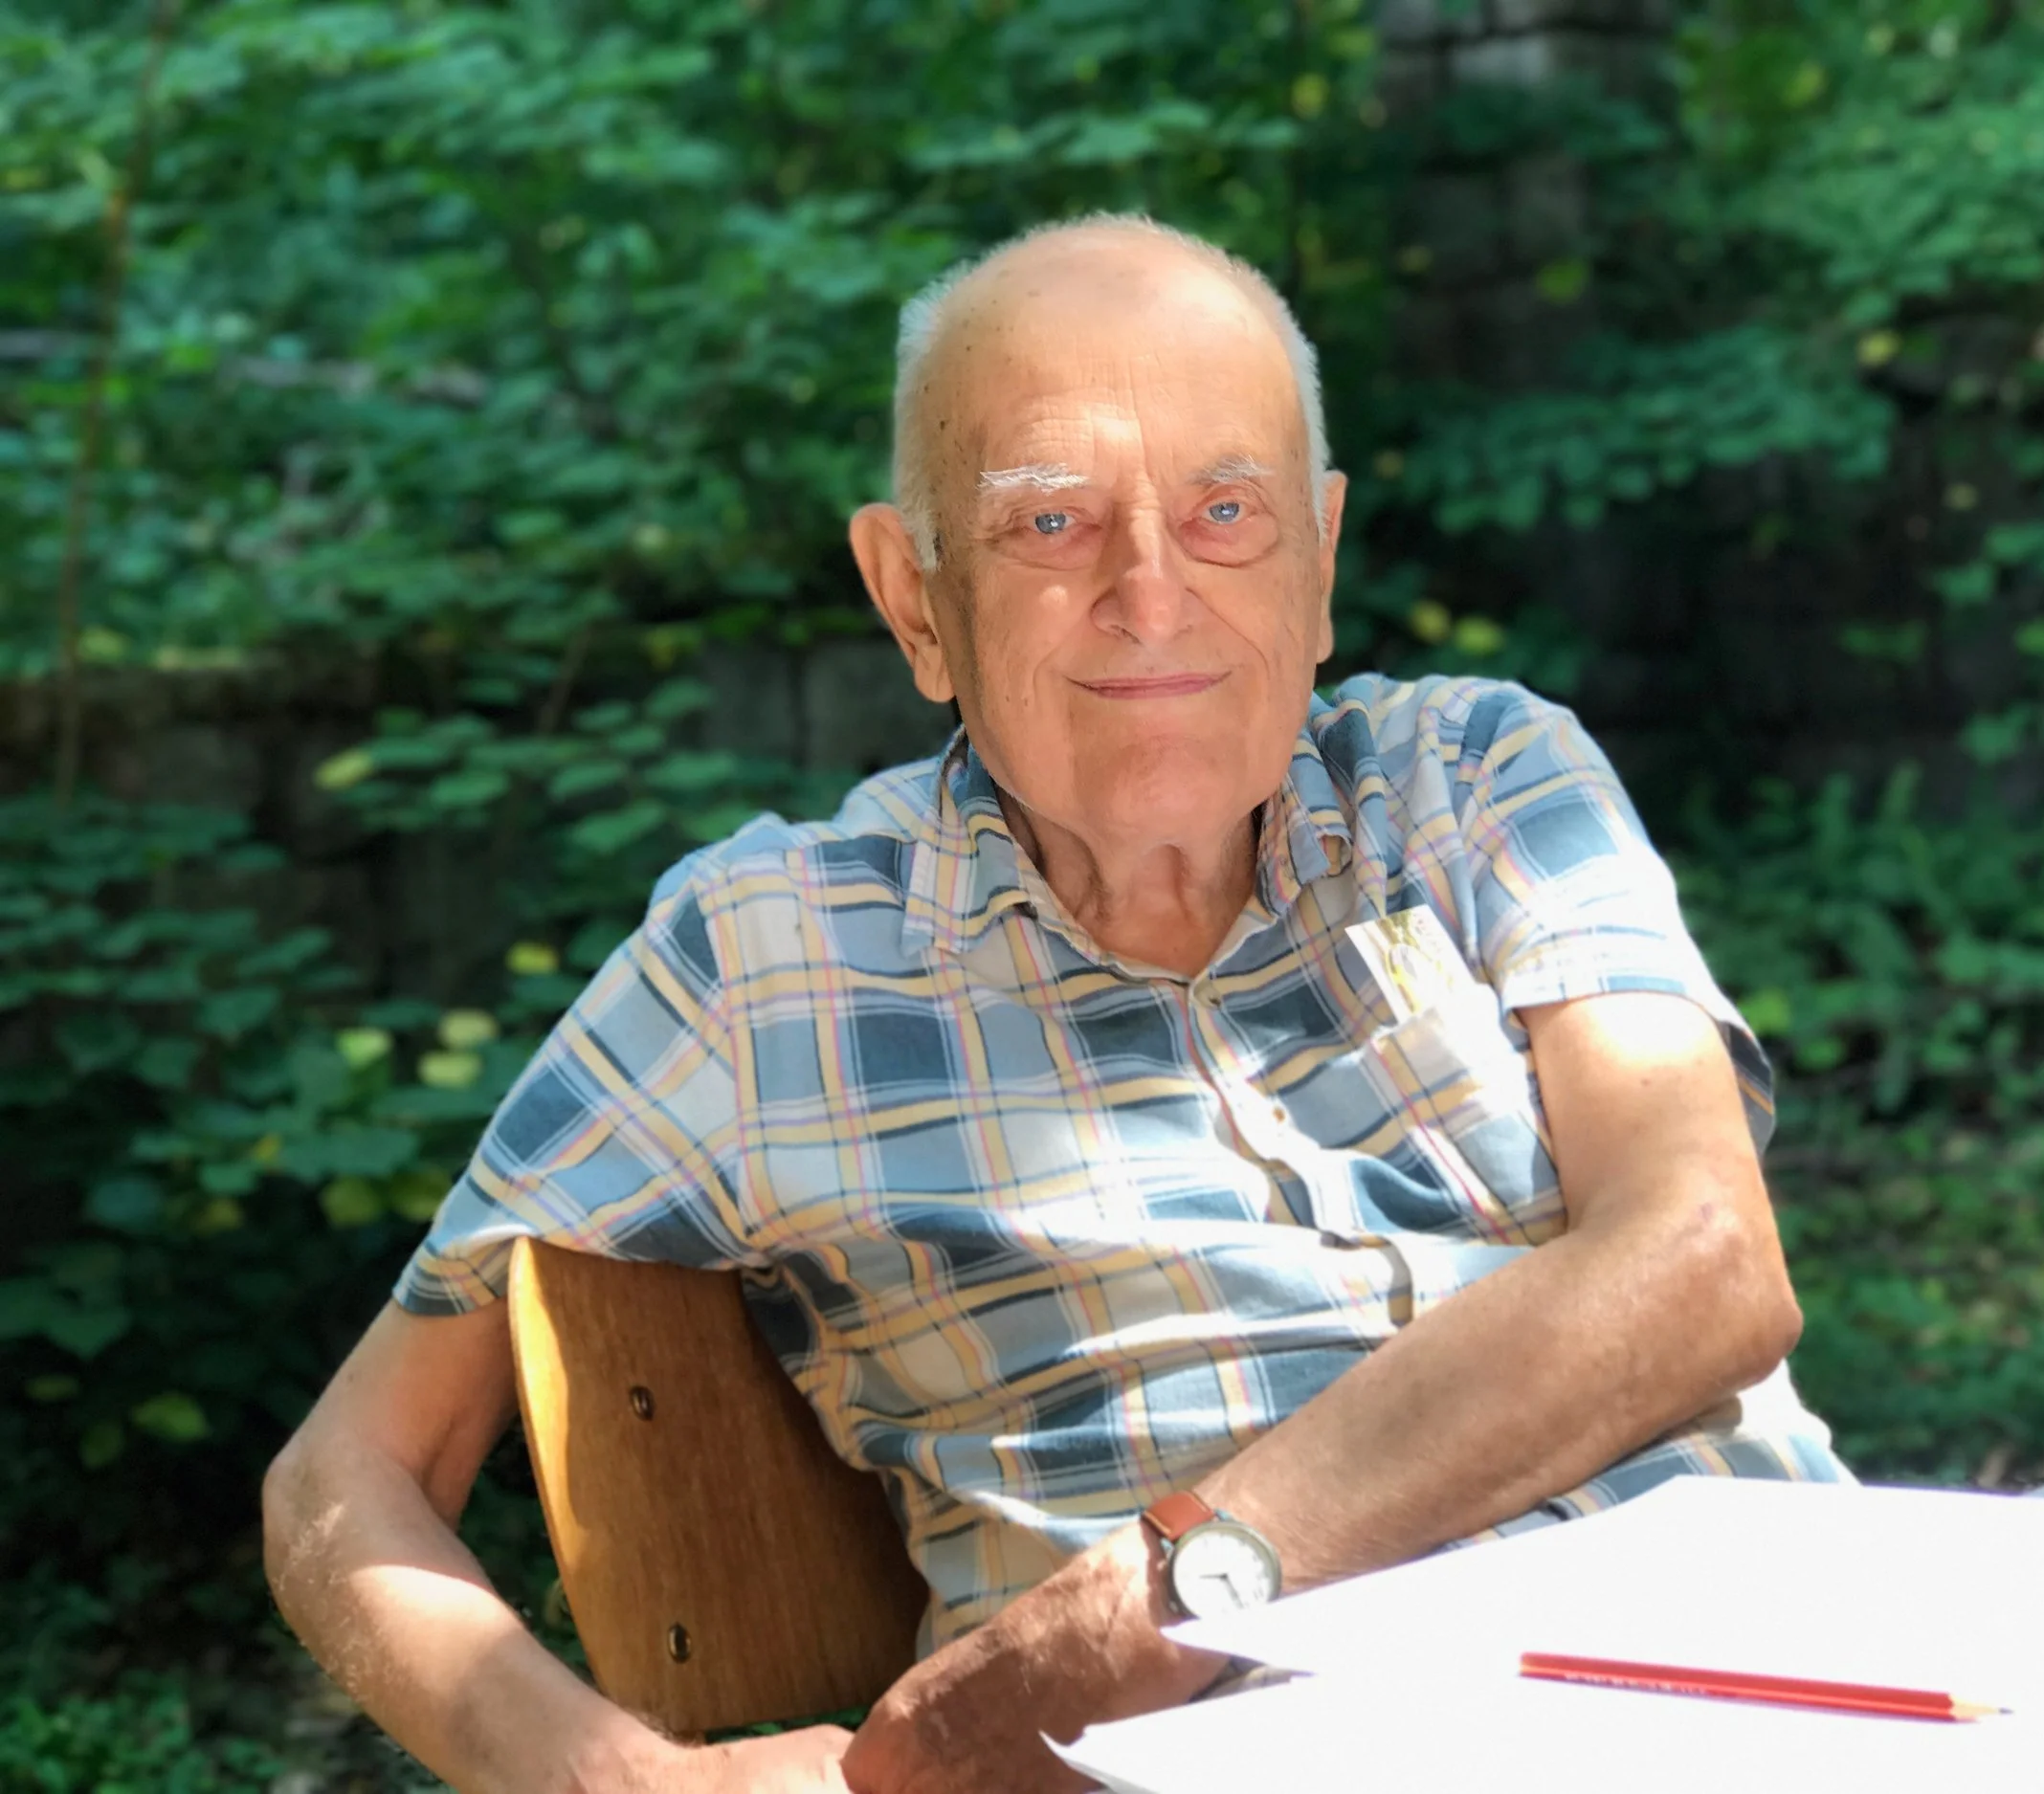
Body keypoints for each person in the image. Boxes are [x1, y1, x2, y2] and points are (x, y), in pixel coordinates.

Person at [262, 213, 1848, 1794]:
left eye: (1226, 511)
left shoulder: (1477, 777)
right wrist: (614, 1779)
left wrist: (1176, 1586)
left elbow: (1702, 1258)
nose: (1150, 594)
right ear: (915, 599)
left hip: (1800, 1677)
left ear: (1320, 561)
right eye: (1050, 522)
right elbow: (344, 1476)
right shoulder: (765, 960)